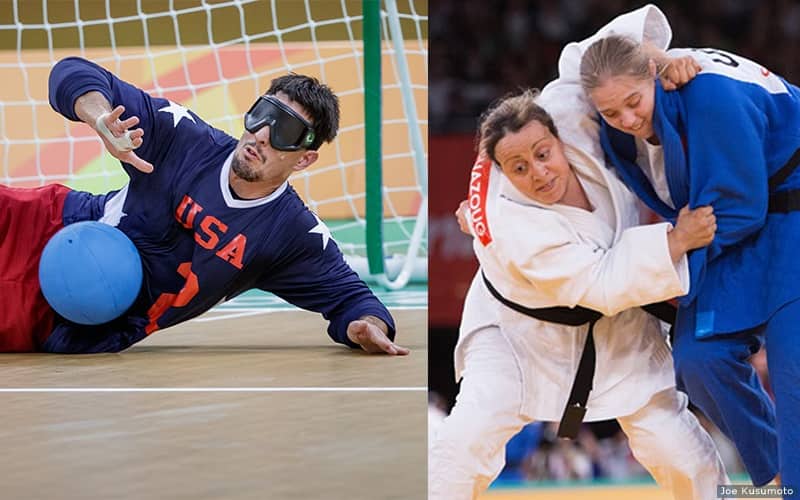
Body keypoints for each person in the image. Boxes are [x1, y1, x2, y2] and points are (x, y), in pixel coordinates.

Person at [429, 87, 728, 500]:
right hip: (517, 339)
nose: (539, 172)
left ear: (558, 137)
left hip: (618, 332)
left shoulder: (571, 115)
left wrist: (665, 57)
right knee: (461, 445)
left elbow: (591, 58)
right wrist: (676, 242)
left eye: (543, 153)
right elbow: (601, 284)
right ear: (502, 173)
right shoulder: (509, 224)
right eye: (519, 167)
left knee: (680, 451)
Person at [0, 56, 409, 356]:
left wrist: (364, 327)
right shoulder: (182, 138)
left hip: (66, 319)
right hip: (49, 223)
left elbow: (353, 301)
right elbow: (72, 73)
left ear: (304, 158)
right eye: (263, 114)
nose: (262, 134)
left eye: (284, 130)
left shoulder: (290, 235)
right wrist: (101, 117)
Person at [567, 4, 797, 487]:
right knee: (698, 358)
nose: (626, 118)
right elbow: (579, 61)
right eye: (611, 111)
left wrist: (669, 257)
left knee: (791, 361)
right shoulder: (618, 120)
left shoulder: (707, 95)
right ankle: (777, 477)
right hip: (734, 226)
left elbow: (740, 208)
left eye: (634, 101)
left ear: (653, 73)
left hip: (780, 212)